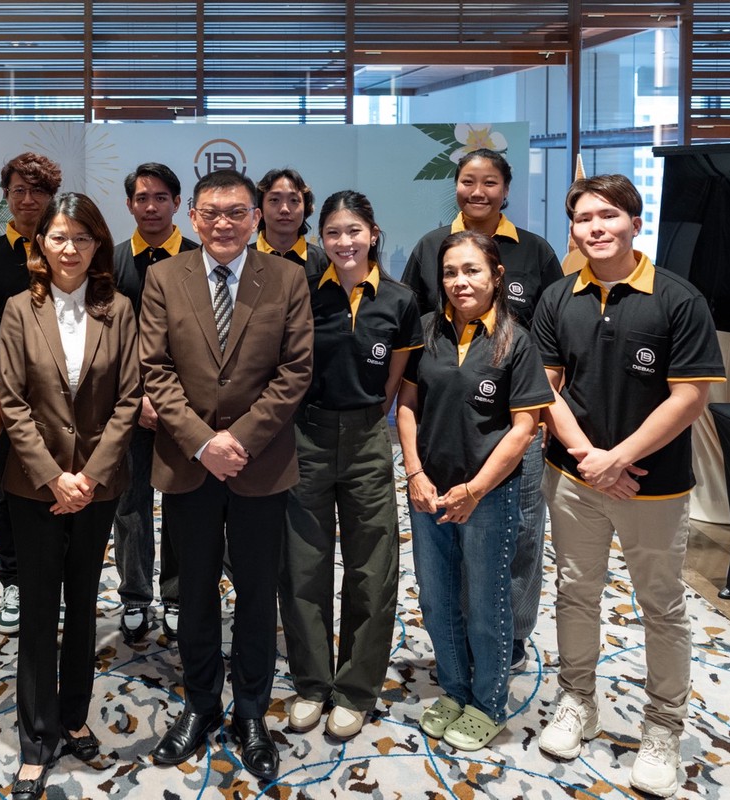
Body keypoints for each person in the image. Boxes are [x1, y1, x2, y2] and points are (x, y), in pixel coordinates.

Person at [533, 175, 724, 797]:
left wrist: (618, 459)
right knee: (575, 592)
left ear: (636, 224)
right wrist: (589, 459)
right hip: (574, 478)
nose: (595, 227)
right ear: (572, 230)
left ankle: (663, 726)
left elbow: (689, 397)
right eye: (583, 218)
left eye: (609, 215)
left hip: (654, 485)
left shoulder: (678, 299)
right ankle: (577, 700)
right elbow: (546, 389)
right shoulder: (558, 298)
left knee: (661, 605)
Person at [141, 169, 314, 782]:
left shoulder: (287, 278)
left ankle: (250, 711)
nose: (223, 223)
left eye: (237, 212)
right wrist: (201, 443)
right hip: (188, 465)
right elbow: (155, 368)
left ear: (256, 218)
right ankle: (200, 703)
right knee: (193, 592)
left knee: (258, 594)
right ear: (193, 217)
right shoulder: (165, 277)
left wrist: (237, 441)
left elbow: (295, 370)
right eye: (211, 212)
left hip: (259, 464)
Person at [0, 193, 140, 799]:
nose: (70, 249)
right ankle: (36, 737)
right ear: (41, 244)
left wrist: (90, 477)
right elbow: (11, 403)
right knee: (38, 608)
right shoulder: (17, 309)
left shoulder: (120, 309)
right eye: (59, 237)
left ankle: (75, 715)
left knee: (84, 602)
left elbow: (129, 400)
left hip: (98, 489)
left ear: (97, 244)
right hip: (35, 487)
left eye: (82, 238)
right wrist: (55, 477)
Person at [401, 148, 563, 673]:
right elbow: (413, 328)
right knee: (448, 537)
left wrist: (541, 410)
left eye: (489, 182)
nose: (478, 192)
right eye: (468, 181)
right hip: (447, 422)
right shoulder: (431, 246)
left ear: (506, 189)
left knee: (519, 537)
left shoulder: (535, 251)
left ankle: (509, 638)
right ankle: (460, 639)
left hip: (516, 421)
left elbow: (554, 332)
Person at [396, 230, 553, 752]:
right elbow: (407, 406)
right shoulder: (426, 331)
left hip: (488, 495)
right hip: (429, 491)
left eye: (471, 271)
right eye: (450, 272)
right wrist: (414, 473)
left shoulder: (516, 341)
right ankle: (455, 689)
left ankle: (487, 703)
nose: (459, 282)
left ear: (496, 276)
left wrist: (476, 489)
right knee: (437, 598)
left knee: (486, 602)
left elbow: (524, 427)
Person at [279, 190, 422, 741]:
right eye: (334, 233)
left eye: (354, 231)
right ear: (321, 238)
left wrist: (367, 419)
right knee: (303, 564)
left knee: (372, 567)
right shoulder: (301, 292)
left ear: (373, 233)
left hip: (366, 440)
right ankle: (312, 683)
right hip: (307, 437)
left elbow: (394, 382)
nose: (344, 242)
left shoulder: (400, 300)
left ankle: (356, 689)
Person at [0, 151, 63, 636]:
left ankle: (54, 579)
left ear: (52, 196)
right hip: (4, 395)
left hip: (64, 395)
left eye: (38, 191)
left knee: (60, 485)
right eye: (18, 191)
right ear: (5, 196)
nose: (28, 200)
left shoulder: (65, 249)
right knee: (8, 490)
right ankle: (14, 581)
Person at [111, 162, 199, 643]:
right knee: (131, 505)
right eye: (142, 198)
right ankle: (135, 595)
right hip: (129, 406)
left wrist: (172, 402)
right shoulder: (112, 262)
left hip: (186, 408)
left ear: (177, 204)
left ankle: (178, 594)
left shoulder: (198, 258)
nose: (151, 206)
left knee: (183, 503)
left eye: (161, 197)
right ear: (129, 205)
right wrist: (135, 398)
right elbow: (108, 341)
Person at [254, 167, 329, 279]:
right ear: (260, 209)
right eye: (274, 200)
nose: (284, 209)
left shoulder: (323, 261)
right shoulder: (243, 258)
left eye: (294, 200)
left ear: (306, 209)